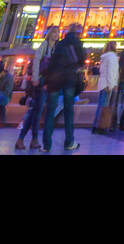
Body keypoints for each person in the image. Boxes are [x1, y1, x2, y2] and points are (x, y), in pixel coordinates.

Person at [42, 24, 85, 152]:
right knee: (68, 112)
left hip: (55, 81)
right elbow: (82, 61)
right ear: (78, 32)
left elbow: (52, 63)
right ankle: (69, 142)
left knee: (50, 112)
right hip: (69, 82)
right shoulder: (78, 44)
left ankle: (46, 145)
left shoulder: (60, 44)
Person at [92, 42, 119, 134]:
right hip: (108, 84)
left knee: (101, 106)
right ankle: (101, 127)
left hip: (102, 83)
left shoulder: (104, 57)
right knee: (104, 106)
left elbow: (102, 70)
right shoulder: (112, 57)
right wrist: (111, 85)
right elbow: (112, 72)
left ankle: (95, 126)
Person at [14, 69, 43, 150]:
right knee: (35, 116)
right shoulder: (44, 60)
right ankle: (32, 139)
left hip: (37, 90)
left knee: (33, 115)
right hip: (40, 89)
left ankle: (28, 139)